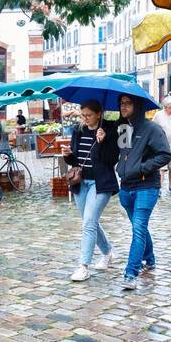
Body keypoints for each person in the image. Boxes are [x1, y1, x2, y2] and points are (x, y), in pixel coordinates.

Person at [116, 93, 171, 290]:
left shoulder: (152, 129)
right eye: (121, 103)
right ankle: (150, 258)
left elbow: (165, 154)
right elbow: (124, 155)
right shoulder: (123, 128)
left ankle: (130, 273)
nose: (123, 107)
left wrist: (142, 168)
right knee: (139, 227)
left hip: (146, 187)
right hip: (126, 187)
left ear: (137, 105)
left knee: (138, 228)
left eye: (127, 103)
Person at [62, 99, 120, 282]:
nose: (85, 119)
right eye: (83, 115)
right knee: (90, 221)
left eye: (88, 115)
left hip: (101, 183)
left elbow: (111, 160)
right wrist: (68, 155)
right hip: (81, 182)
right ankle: (108, 252)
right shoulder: (78, 131)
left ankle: (83, 266)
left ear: (98, 114)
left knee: (88, 222)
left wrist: (103, 142)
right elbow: (75, 161)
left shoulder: (109, 131)